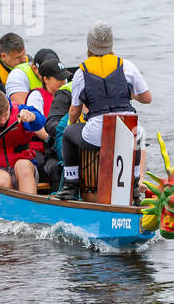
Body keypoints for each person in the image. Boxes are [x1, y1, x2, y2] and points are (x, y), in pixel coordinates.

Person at [53, 22, 151, 202]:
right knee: (137, 134)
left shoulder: (82, 71)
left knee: (68, 134)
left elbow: (74, 110)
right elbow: (147, 98)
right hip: (127, 129)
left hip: (97, 133)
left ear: (89, 46)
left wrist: (71, 124)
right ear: (111, 45)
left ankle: (70, 187)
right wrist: (132, 95)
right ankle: (135, 186)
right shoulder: (127, 65)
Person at [25, 59, 70, 188]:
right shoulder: (37, 95)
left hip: (60, 144)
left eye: (64, 78)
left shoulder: (67, 94)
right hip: (39, 145)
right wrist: (53, 141)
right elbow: (36, 127)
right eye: (59, 79)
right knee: (44, 166)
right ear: (46, 79)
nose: (63, 82)